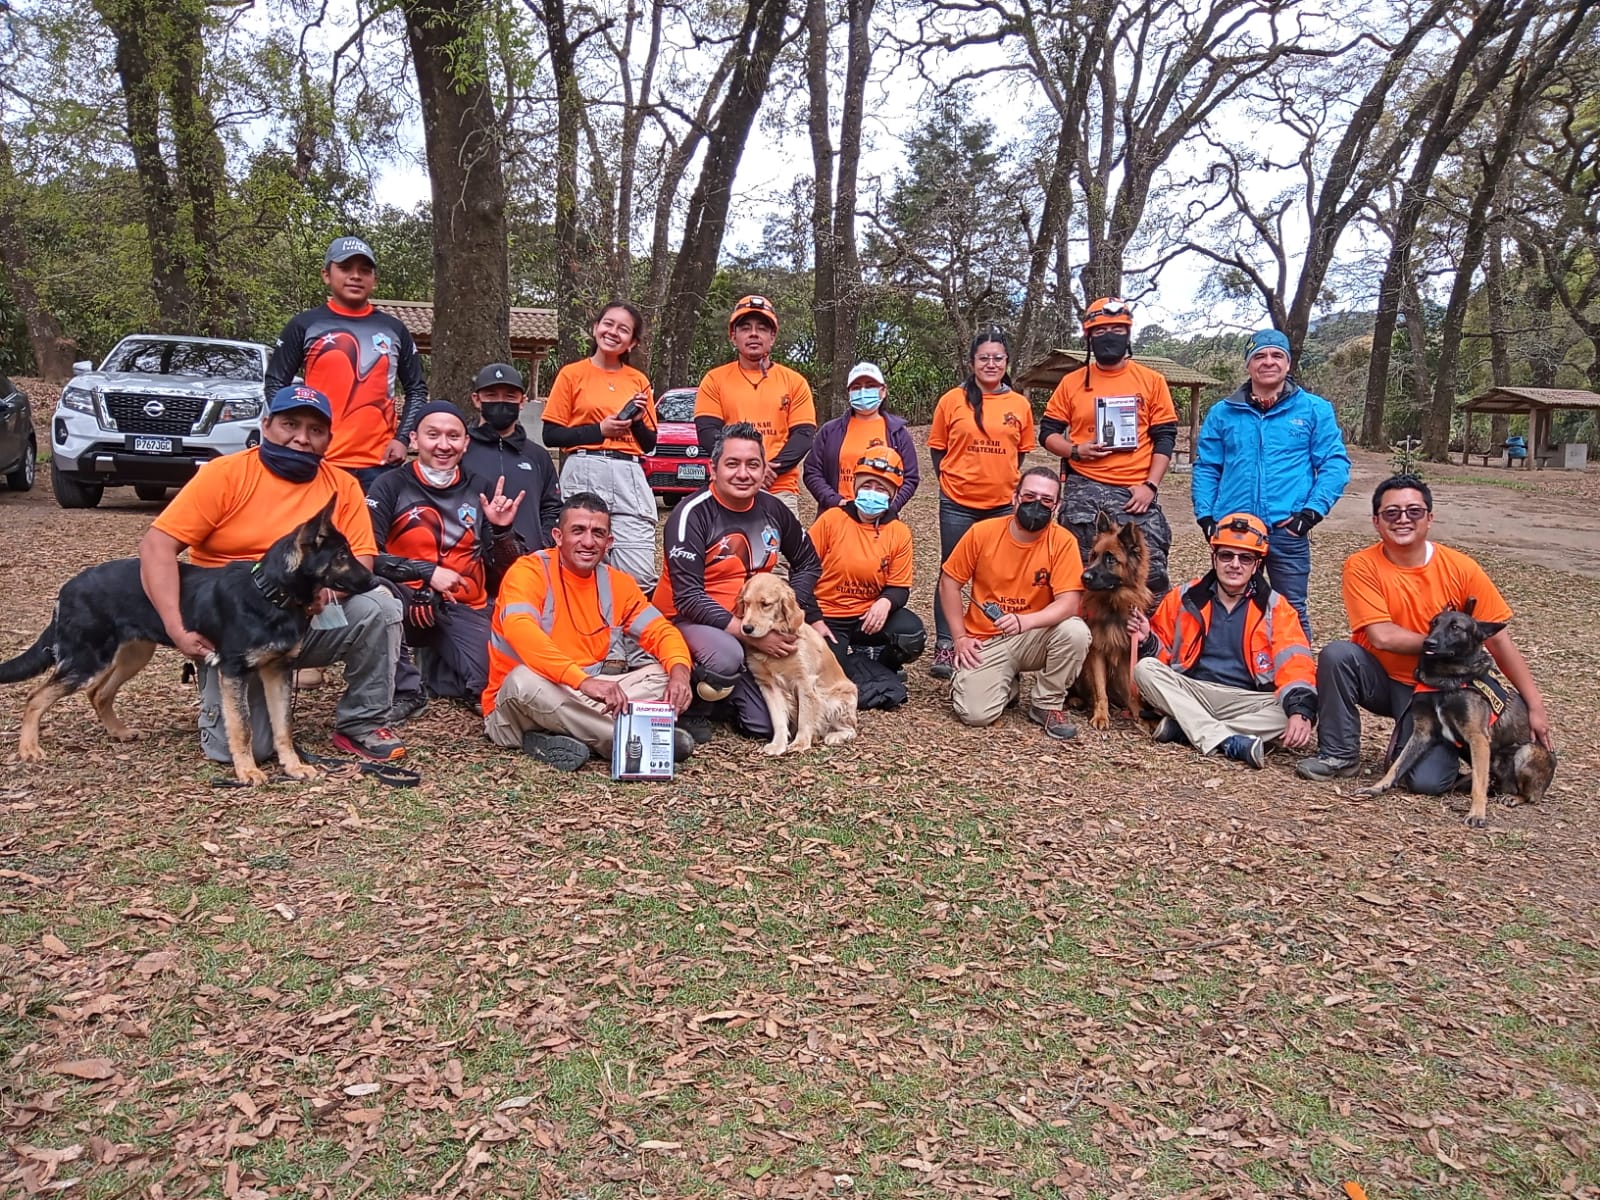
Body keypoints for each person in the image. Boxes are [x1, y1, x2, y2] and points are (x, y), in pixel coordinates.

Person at [138, 385, 406, 763]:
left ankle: (362, 723)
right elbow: (156, 547)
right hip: (233, 623)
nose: (302, 438)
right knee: (245, 751)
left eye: (316, 430)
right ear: (266, 425)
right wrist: (175, 626)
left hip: (303, 615)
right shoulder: (226, 474)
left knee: (381, 606)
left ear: (329, 438)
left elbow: (361, 560)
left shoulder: (342, 484)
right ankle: (230, 688)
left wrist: (325, 597)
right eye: (290, 424)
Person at [1296, 475, 1553, 786]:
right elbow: (1382, 636)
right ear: (1376, 521)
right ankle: (1339, 755)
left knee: (1427, 783)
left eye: (1413, 511)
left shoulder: (1461, 568)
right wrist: (1451, 643)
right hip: (1382, 678)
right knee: (1338, 655)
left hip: (1441, 688)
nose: (1403, 519)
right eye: (1392, 513)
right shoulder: (1361, 565)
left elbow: (1498, 641)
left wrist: (1535, 706)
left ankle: (1464, 765)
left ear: (1429, 518)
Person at [482, 494, 695, 772]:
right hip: (528, 698)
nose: (588, 541)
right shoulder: (529, 571)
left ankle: (562, 736)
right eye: (578, 531)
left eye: (598, 533)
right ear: (558, 536)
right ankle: (627, 738)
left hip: (588, 695)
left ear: (609, 543)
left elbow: (661, 631)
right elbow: (520, 631)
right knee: (522, 680)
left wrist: (681, 674)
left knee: (664, 672)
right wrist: (582, 682)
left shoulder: (618, 583)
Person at [654, 422, 825, 742]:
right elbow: (688, 598)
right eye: (732, 464)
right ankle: (696, 704)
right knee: (726, 656)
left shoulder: (773, 509)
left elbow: (808, 563)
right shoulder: (691, 514)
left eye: (752, 465)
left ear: (764, 471)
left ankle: (724, 693)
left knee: (764, 726)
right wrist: (754, 638)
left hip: (753, 624)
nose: (743, 473)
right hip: (685, 621)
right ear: (712, 469)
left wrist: (787, 611)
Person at [365, 401, 526, 714]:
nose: (443, 445)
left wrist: (502, 531)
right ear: (413, 439)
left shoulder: (480, 488)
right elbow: (366, 555)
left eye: (453, 436)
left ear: (465, 443)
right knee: (373, 589)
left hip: (461, 603)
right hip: (404, 599)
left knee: (490, 688)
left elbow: (509, 571)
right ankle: (406, 690)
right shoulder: (390, 485)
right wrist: (425, 572)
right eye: (432, 435)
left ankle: (439, 667)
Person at [1191, 328, 1351, 639]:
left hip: (1287, 529)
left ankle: (1298, 681)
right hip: (1235, 530)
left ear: (1288, 363)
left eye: (1277, 355)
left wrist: (1310, 513)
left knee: (1290, 609)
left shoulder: (1314, 410)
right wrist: (1207, 516)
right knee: (1231, 606)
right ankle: (1233, 676)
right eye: (1259, 356)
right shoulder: (1223, 413)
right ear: (1248, 364)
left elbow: (1334, 463)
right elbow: (1207, 466)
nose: (1268, 362)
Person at [1127, 512, 1317, 769]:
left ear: (1257, 564)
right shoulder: (1184, 598)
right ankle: (1227, 739)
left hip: (1246, 700)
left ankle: (1187, 729)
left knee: (1292, 712)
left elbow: (1295, 665)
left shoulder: (1277, 608)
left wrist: (1300, 710)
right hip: (1193, 691)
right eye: (1226, 555)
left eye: (1245, 557)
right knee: (1145, 670)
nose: (1234, 564)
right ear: (1214, 558)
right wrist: (1148, 639)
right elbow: (1163, 659)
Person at [1039, 296, 1179, 608]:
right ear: (1088, 336)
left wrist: (1150, 486)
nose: (1109, 336)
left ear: (1128, 334)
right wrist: (1075, 450)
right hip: (1083, 489)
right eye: (1101, 331)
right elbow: (1047, 434)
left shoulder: (1151, 381)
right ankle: (1082, 647)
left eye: (1117, 328)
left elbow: (1165, 438)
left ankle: (1149, 649)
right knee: (1077, 574)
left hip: (1134, 493)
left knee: (1152, 575)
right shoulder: (1072, 382)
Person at [937, 465, 1090, 739]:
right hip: (985, 638)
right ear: (1014, 497)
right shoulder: (982, 532)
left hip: (1033, 635)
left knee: (1076, 631)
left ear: (1057, 506)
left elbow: (1069, 602)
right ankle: (1007, 684)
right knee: (975, 714)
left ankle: (1046, 703)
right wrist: (958, 637)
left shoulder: (1064, 541)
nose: (1037, 505)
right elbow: (949, 581)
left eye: (1046, 500)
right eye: (1029, 496)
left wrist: (1025, 621)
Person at [264, 236, 428, 491]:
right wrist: (292, 436)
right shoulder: (304, 325)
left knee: (372, 533)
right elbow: (275, 383)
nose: (355, 276)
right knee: (311, 532)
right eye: (345, 268)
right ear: (326, 275)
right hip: (318, 460)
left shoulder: (394, 329)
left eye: (364, 270)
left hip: (379, 465)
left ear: (374, 279)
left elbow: (417, 389)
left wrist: (402, 439)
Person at [927, 327, 1037, 679]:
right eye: (983, 357)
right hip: (957, 504)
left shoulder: (1019, 404)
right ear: (972, 362)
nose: (991, 363)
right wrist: (952, 482)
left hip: (1002, 506)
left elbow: (1019, 454)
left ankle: (993, 641)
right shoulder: (951, 400)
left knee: (998, 576)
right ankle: (946, 642)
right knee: (951, 572)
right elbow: (938, 449)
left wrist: (1001, 483)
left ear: (1007, 362)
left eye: (998, 358)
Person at [540, 302, 661, 589]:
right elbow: (551, 435)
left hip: (628, 473)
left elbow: (650, 444)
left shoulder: (638, 380)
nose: (613, 332)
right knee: (576, 565)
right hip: (584, 466)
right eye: (608, 324)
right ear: (595, 328)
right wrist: (599, 430)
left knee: (638, 576)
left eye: (623, 329)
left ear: (632, 342)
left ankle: (625, 631)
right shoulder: (572, 374)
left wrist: (636, 421)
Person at [693, 295, 818, 517]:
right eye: (745, 328)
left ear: (772, 336)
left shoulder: (795, 382)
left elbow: (803, 435)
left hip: (779, 488)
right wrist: (743, 467)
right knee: (726, 551)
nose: (753, 334)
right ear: (733, 336)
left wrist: (765, 469)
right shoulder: (715, 380)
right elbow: (707, 433)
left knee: (778, 551)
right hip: (728, 487)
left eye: (761, 328)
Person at [808, 448, 925, 672]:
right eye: (867, 486)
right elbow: (803, 571)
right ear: (856, 487)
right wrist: (813, 617)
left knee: (911, 636)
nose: (872, 492)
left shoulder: (899, 532)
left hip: (868, 617)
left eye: (881, 488)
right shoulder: (831, 520)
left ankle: (883, 668)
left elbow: (899, 587)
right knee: (830, 675)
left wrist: (885, 602)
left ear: (892, 494)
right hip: (828, 615)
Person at [461, 362, 561, 557]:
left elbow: (552, 507)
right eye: (491, 395)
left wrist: (543, 543)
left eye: (509, 396)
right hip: (470, 565)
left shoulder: (537, 456)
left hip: (527, 565)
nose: (500, 402)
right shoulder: (460, 451)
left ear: (522, 401)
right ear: (476, 399)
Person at [803, 361, 919, 517]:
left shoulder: (897, 433)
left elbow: (910, 477)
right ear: (849, 392)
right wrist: (834, 500)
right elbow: (812, 471)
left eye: (870, 385)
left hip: (880, 519)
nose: (863, 391)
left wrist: (891, 507)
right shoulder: (830, 431)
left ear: (883, 391)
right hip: (836, 515)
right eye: (856, 387)